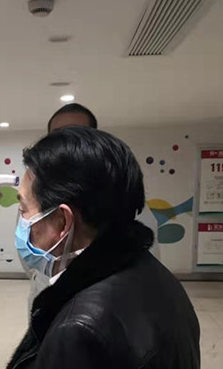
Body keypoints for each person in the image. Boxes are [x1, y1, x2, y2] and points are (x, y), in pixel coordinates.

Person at [0, 127, 200, 369]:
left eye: (24, 209)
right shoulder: (157, 279)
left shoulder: (82, 332)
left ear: (62, 222)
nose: (21, 223)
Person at [24, 103, 160, 310]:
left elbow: (141, 265)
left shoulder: (121, 198)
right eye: (58, 135)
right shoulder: (37, 196)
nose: (67, 142)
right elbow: (29, 255)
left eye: (77, 132)